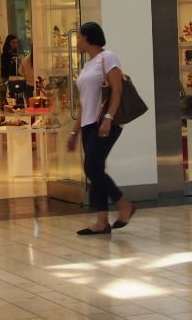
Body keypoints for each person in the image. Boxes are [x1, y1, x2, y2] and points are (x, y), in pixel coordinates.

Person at [67, 21, 135, 235]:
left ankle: (124, 204)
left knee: (92, 168)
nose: (77, 42)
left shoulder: (108, 58)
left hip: (105, 122)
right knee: (95, 170)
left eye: (79, 38)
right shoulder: (88, 64)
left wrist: (108, 118)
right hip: (88, 124)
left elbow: (117, 90)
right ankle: (101, 221)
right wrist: (74, 132)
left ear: (88, 38)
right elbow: (84, 103)